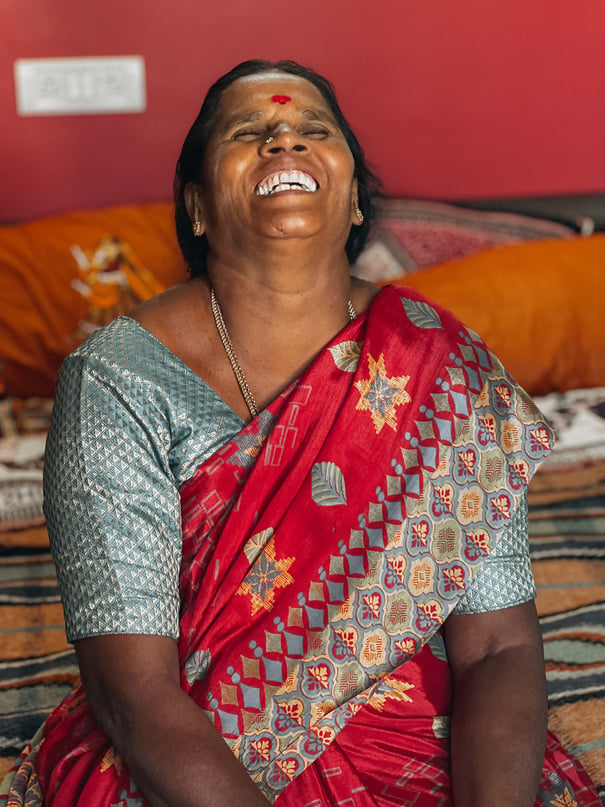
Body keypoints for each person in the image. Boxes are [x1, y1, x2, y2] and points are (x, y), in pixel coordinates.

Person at [2, 59, 600, 807]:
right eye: (249, 132)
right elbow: (133, 696)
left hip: (423, 742)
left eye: (313, 129)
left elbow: (499, 646)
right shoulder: (117, 381)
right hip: (196, 753)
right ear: (195, 206)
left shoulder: (439, 363)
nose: (284, 138)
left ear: (353, 200)